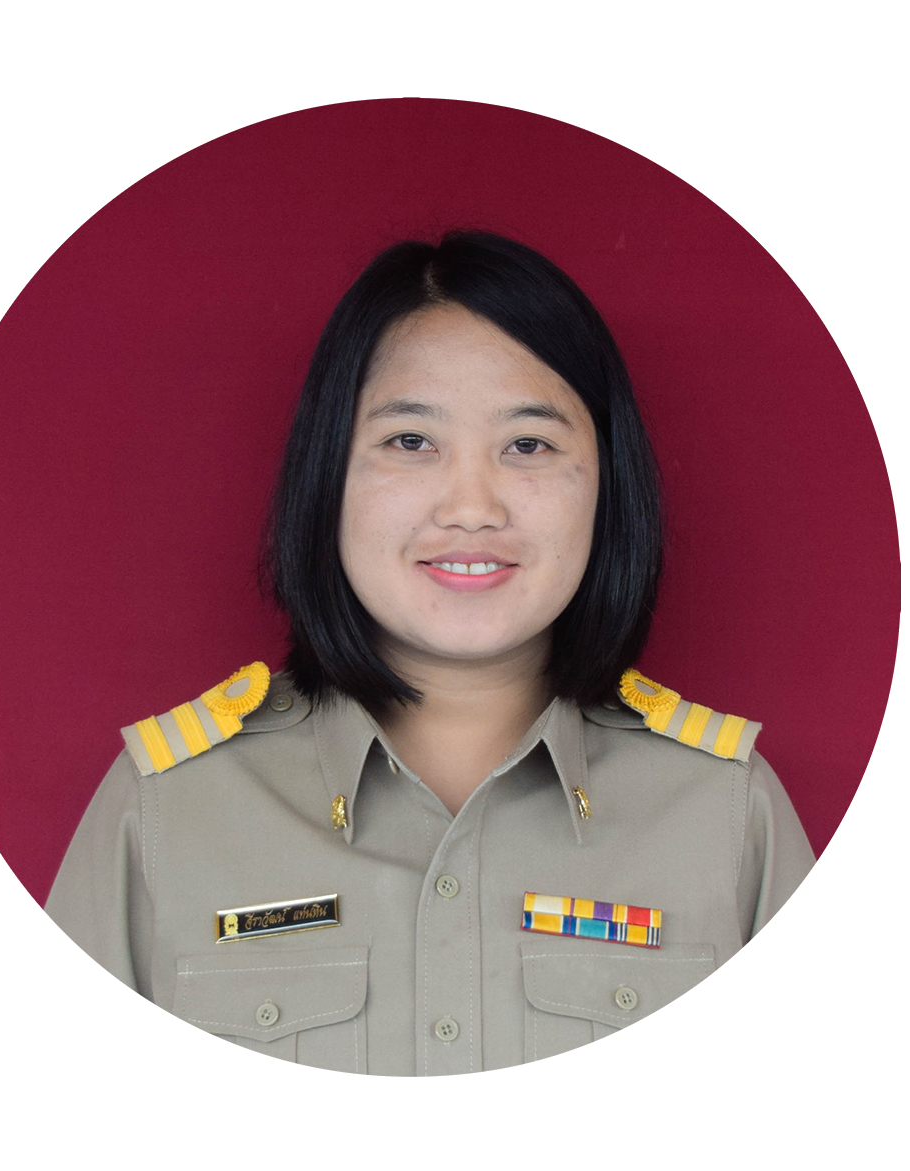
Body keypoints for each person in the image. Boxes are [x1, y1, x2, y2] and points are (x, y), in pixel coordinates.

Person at [45, 230, 814, 1075]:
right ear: (327, 472)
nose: (471, 507)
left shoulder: (725, 814)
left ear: (607, 483)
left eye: (528, 445)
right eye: (410, 441)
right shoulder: (165, 811)